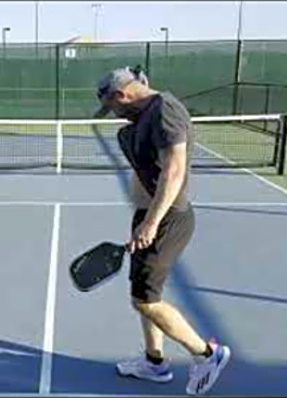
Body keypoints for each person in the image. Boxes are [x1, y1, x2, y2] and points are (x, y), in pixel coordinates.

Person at [94, 68, 231, 396]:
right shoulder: (137, 124)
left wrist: (152, 222)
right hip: (151, 215)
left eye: (112, 107)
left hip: (169, 218)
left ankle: (207, 355)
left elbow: (174, 169)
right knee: (143, 294)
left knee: (144, 301)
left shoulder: (165, 110)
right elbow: (150, 175)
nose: (114, 114)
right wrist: (143, 219)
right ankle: (154, 363)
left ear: (122, 95)